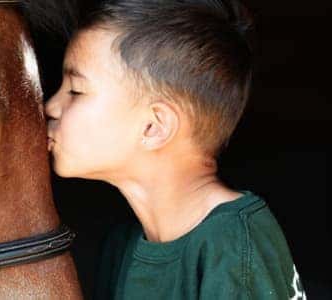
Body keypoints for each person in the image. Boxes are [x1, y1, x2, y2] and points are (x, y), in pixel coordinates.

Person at [44, 0, 306, 298]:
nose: (50, 107)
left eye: (76, 91)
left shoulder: (231, 245)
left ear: (154, 127)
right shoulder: (123, 244)